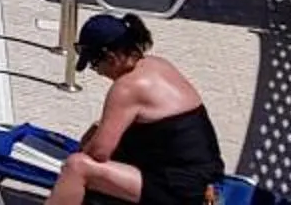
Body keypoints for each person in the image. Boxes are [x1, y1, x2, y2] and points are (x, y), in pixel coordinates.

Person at [47, 14, 224, 205]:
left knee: (76, 167)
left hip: (183, 189)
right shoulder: (158, 64)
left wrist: (85, 145)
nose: (98, 71)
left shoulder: (127, 88)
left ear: (111, 58)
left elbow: (98, 153)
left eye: (95, 64)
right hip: (204, 175)